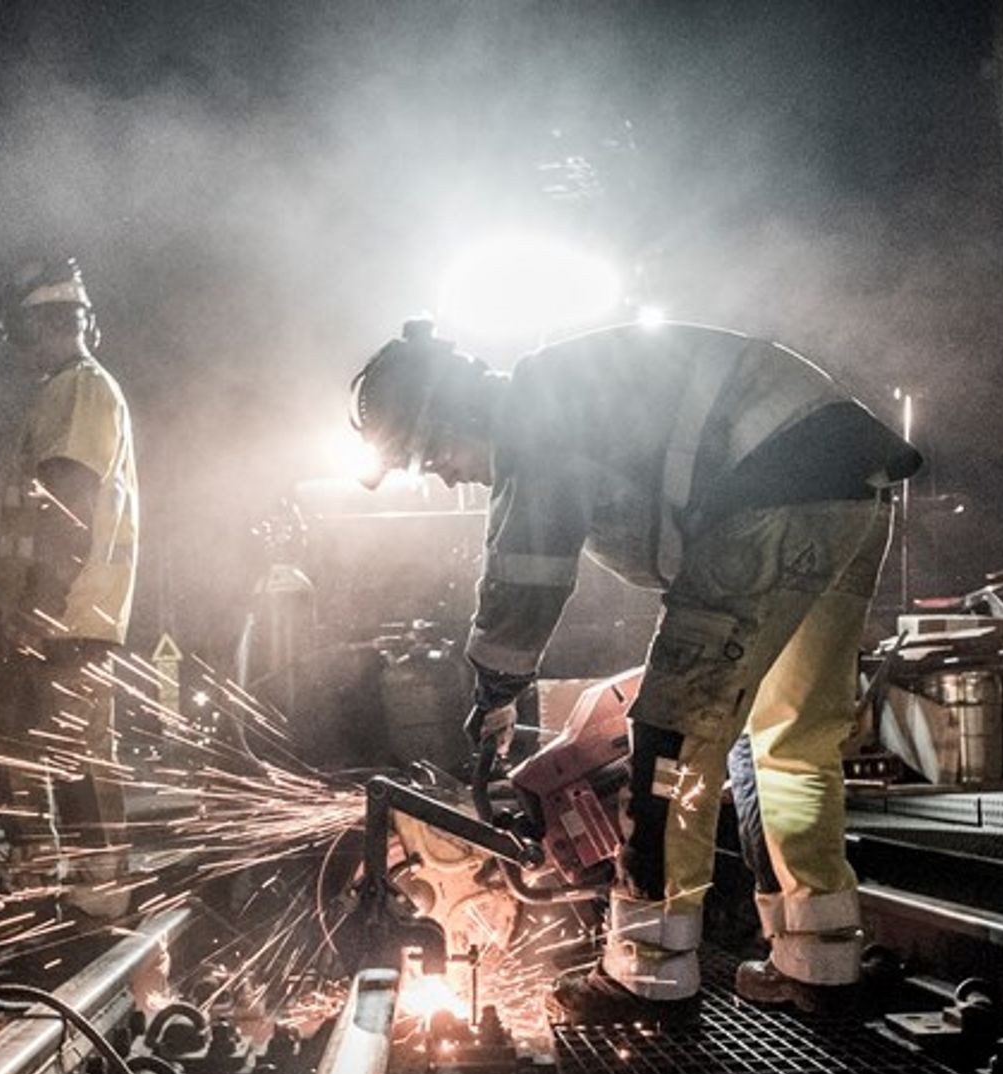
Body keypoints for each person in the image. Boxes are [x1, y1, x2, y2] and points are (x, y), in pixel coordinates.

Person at [349, 317, 921, 1019]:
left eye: (430, 452)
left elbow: (527, 567)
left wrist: (496, 687)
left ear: (458, 407)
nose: (442, 475)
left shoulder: (533, 410)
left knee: (670, 745)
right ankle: (820, 958)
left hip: (768, 495)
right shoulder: (566, 390)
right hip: (846, 490)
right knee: (790, 741)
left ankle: (648, 972)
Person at [0, 257, 139, 922]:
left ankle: (98, 890)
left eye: (20, 331)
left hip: (70, 611)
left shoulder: (80, 389)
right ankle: (36, 886)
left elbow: (70, 497)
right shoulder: (62, 390)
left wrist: (38, 606)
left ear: (41, 325)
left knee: (72, 748)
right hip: (50, 611)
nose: (16, 348)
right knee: (10, 741)